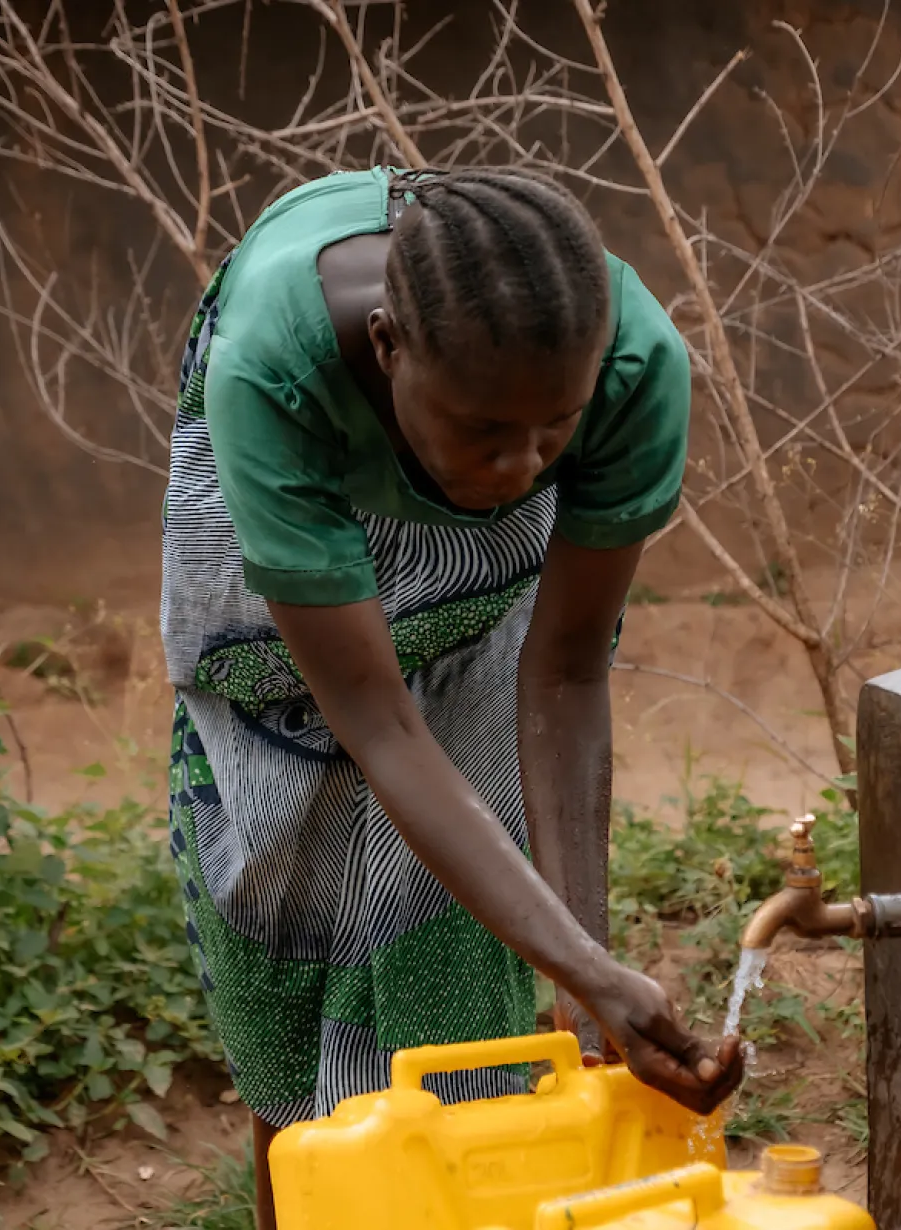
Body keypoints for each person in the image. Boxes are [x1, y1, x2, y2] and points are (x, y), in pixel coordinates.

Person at [159, 164, 743, 1228]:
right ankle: (300, 1191)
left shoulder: (629, 371)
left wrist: (584, 979)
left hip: (469, 425)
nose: (522, 467)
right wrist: (585, 966)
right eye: (488, 433)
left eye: (552, 431)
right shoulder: (273, 377)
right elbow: (374, 719)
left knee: (464, 877)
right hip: (298, 460)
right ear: (388, 348)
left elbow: (563, 674)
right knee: (285, 848)